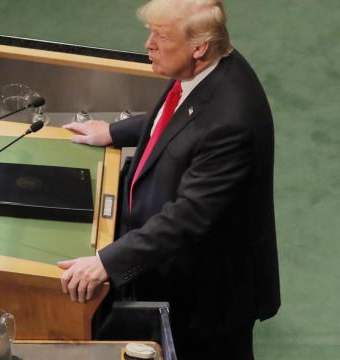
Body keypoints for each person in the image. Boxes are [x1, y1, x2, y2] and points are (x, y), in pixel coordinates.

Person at [57, 0, 280, 358]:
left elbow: (187, 218)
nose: (148, 44)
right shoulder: (204, 73)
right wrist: (115, 131)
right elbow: (173, 119)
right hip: (177, 271)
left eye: (161, 36)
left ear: (199, 46)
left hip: (206, 296)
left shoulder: (232, 120)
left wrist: (106, 262)